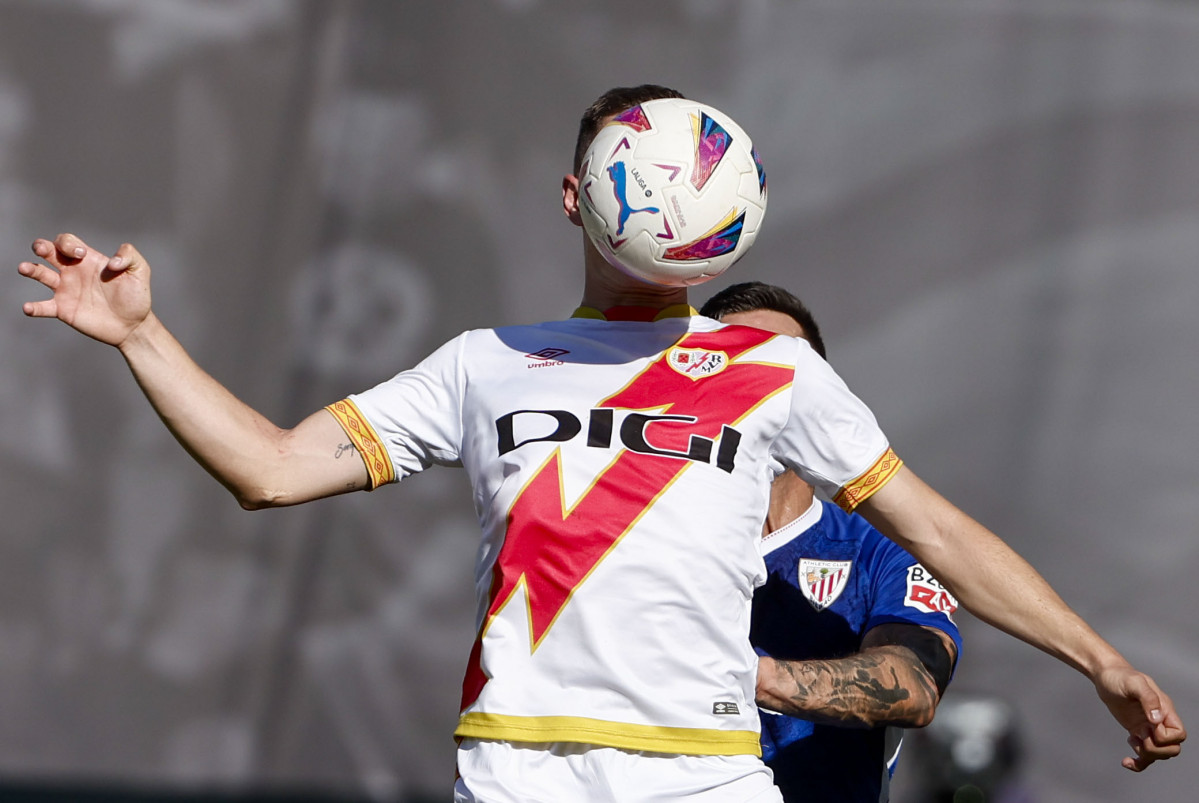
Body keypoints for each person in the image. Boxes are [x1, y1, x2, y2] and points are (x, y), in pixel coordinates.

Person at [17, 85, 1183, 801]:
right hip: (519, 772)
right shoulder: (484, 361)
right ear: (572, 198)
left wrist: (1097, 658)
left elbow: (928, 525)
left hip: (703, 771)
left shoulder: (772, 368)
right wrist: (140, 335)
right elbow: (270, 471)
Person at [702, 281, 962, 802]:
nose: (757, 390)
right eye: (733, 368)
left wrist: (743, 676)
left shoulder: (884, 549)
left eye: (778, 370)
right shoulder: (640, 534)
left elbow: (914, 682)